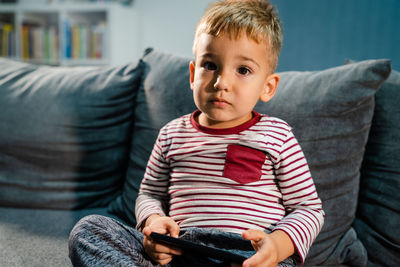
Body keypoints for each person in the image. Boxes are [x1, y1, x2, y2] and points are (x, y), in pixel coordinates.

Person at [69, 1, 325, 266]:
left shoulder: (277, 135)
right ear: (193, 74)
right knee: (90, 230)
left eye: (243, 70)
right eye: (210, 65)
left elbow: (309, 209)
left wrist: (278, 245)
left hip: (247, 254)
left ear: (268, 87)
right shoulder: (171, 134)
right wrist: (154, 223)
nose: (221, 82)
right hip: (182, 249)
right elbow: (150, 195)